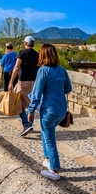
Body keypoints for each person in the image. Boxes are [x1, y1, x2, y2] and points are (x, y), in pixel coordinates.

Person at [27, 44, 72, 181]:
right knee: (44, 133)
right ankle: (47, 159)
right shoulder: (62, 70)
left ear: (42, 55)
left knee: (50, 139)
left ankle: (54, 170)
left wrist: (30, 111)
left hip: (49, 110)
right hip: (61, 110)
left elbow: (36, 93)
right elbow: (68, 88)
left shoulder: (43, 71)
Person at [9, 36, 39, 137]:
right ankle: (29, 124)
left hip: (23, 82)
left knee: (19, 103)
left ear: (25, 43)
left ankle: (26, 124)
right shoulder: (37, 54)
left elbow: (16, 67)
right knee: (32, 104)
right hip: (34, 82)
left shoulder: (22, 53)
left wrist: (11, 81)